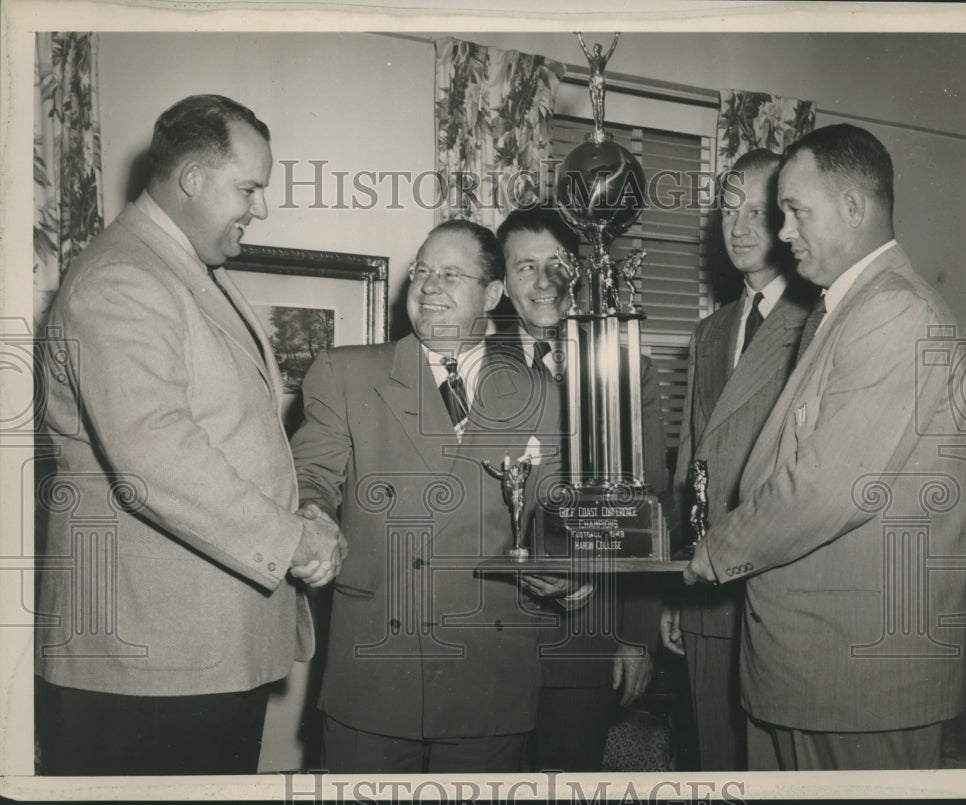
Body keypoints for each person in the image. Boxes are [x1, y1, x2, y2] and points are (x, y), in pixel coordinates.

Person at [35, 94, 344, 776]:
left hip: (200, 655)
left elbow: (234, 440)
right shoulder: (122, 278)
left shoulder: (186, 272)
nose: (258, 209)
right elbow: (157, 459)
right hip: (147, 664)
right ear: (194, 179)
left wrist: (306, 514)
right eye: (250, 188)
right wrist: (292, 539)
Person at [683, 124, 966, 770]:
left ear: (853, 208)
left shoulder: (896, 312)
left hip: (857, 684)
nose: (782, 233)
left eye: (793, 212)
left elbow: (824, 486)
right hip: (808, 676)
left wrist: (717, 549)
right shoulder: (843, 310)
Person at [290, 219, 569, 774]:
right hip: (375, 675)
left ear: (491, 295)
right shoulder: (345, 373)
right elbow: (309, 473)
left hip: (490, 681)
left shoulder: (541, 394)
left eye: (450, 274)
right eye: (421, 271)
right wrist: (313, 512)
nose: (428, 286)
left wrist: (570, 570)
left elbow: (553, 513)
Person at [494, 207, 666, 771]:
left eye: (557, 265)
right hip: (483, 643)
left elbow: (648, 509)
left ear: (580, 273)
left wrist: (636, 636)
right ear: (501, 284)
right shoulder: (465, 369)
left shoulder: (627, 372)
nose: (543, 282)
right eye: (525, 267)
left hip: (584, 642)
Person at [660, 149, 816, 771]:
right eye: (729, 209)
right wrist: (676, 584)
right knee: (712, 763)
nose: (740, 225)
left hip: (776, 595)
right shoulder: (710, 330)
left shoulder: (819, 318)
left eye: (759, 210)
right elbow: (688, 468)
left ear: (787, 220)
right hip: (704, 590)